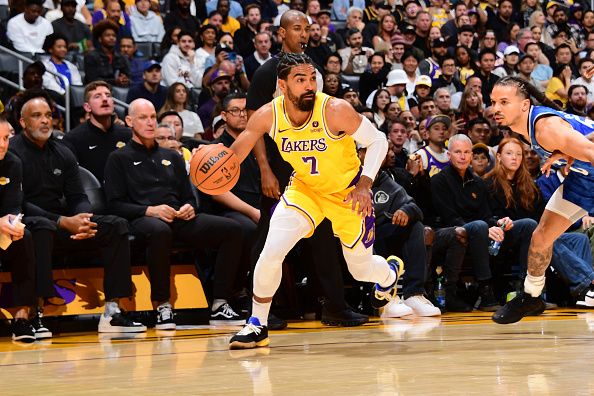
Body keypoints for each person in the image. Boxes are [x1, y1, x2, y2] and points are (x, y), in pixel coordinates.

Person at [227, 52, 401, 349]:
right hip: (305, 191)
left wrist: (365, 183)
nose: (309, 85)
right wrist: (211, 169)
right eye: (300, 80)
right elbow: (234, 156)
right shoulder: (267, 115)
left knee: (360, 269)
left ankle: (389, 274)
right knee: (271, 251)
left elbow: (378, 141)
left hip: (348, 193)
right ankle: (257, 324)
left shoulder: (334, 109)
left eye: (311, 79)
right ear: (283, 86)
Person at [245, 10, 367, 329]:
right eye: (296, 29)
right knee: (268, 239)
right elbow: (252, 124)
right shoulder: (267, 72)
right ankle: (259, 309)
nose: (303, 34)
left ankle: (333, 306)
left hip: (311, 167)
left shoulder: (312, 70)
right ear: (281, 33)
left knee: (325, 236)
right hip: (277, 165)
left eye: (307, 29)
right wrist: (264, 170)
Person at [104, 99, 246, 327]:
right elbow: (114, 204)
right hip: (142, 219)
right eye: (143, 118)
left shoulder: (172, 156)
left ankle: (220, 302)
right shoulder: (118, 158)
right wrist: (150, 210)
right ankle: (163, 305)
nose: (150, 122)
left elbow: (188, 196)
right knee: (160, 231)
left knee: (232, 229)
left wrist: (190, 207)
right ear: (129, 121)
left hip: (178, 218)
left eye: (152, 117)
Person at [12, 91, 145, 335]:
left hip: (66, 223)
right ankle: (34, 311)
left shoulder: (63, 152)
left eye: (49, 115)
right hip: (27, 221)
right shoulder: (12, 153)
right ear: (23, 122)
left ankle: (113, 310)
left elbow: (78, 196)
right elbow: (19, 202)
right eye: (37, 116)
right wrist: (63, 221)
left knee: (116, 226)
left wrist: (83, 218)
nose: (45, 121)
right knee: (40, 227)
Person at [489, 75, 594, 324]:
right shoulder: (529, 126)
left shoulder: (545, 129)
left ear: (524, 105)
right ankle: (532, 296)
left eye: (504, 102)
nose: (496, 109)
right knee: (541, 237)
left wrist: (568, 149)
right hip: (583, 178)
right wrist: (565, 150)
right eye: (493, 102)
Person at [0, 117, 37, 342]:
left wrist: (14, 224)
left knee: (24, 237)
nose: (2, 144)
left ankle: (22, 316)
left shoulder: (13, 162)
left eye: (5, 138)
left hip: (2, 226)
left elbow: (14, 205)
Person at [63, 81, 132, 183]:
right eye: (97, 96)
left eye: (108, 96)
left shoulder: (128, 134)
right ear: (87, 107)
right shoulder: (73, 139)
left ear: (113, 104)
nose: (105, 99)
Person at [84, 20, 130, 87]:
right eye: (107, 35)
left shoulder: (121, 57)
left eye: (114, 36)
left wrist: (125, 80)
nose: (111, 38)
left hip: (118, 92)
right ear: (100, 39)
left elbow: (128, 76)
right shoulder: (91, 56)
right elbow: (92, 80)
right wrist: (115, 81)